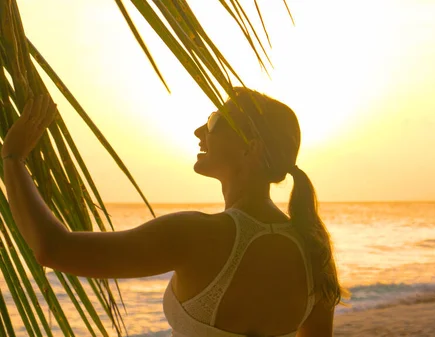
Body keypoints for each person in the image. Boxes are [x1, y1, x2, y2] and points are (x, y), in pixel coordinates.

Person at [2, 88, 349, 337]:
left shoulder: (198, 235)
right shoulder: (312, 247)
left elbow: (53, 248)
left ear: (251, 148)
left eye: (214, 122)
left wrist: (13, 159)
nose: (200, 131)